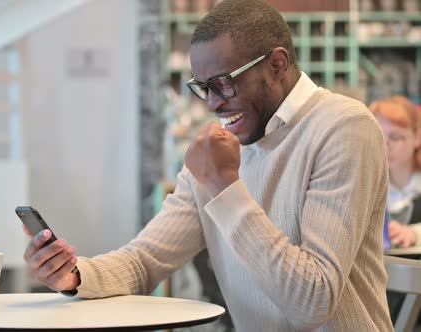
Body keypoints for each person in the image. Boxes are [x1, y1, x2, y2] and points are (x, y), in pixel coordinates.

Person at [23, 1, 391, 330]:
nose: (212, 105)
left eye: (223, 84)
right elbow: (144, 261)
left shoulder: (343, 127)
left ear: (277, 64)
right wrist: (74, 276)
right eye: (202, 87)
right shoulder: (220, 150)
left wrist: (225, 187)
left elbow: (313, 302)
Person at [371, 96, 421, 249]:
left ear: (417, 137)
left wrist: (415, 233)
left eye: (395, 137)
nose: (385, 145)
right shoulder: (369, 186)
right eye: (378, 136)